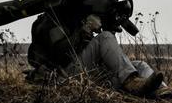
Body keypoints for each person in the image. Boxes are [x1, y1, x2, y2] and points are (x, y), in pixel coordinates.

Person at [28, 8, 164, 97]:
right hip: (65, 75)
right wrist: (84, 30)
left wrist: (108, 26)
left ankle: (164, 92)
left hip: (86, 73)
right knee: (104, 37)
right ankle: (131, 82)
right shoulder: (52, 20)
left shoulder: (76, 16)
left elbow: (104, 53)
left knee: (140, 65)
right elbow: (59, 55)